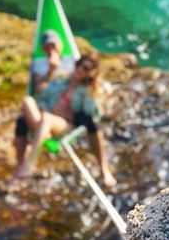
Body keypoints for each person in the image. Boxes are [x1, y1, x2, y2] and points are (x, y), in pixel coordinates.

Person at [13, 53, 117, 187]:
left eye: (85, 68)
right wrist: (43, 108)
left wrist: (97, 89)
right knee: (28, 101)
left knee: (46, 119)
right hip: (44, 119)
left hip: (64, 125)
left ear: (90, 74)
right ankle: (24, 159)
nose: (80, 69)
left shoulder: (86, 92)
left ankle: (30, 163)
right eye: (79, 64)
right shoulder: (60, 79)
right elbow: (43, 97)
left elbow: (93, 115)